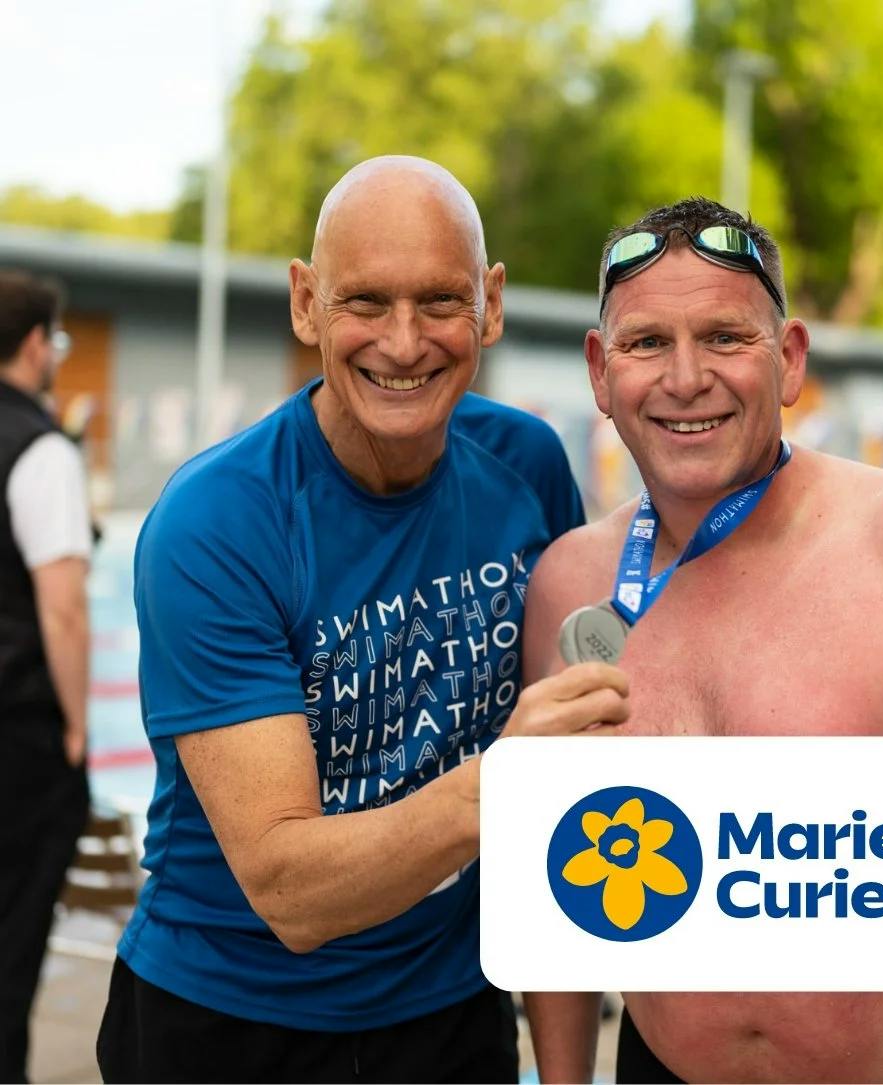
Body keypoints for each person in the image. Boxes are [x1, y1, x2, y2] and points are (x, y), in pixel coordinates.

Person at [96, 156, 630, 1084]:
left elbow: (574, 790)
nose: (404, 340)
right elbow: (289, 890)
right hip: (228, 1018)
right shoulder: (217, 522)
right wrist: (505, 780)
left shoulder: (529, 467)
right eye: (365, 303)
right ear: (306, 304)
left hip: (450, 1009)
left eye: (438, 301)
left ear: (490, 306)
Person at [521, 197, 883, 1084]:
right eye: (647, 342)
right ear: (599, 372)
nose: (686, 378)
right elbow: (556, 889)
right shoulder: (570, 588)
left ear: (791, 358)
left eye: (727, 338)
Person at [0, 271, 91, 1084]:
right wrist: (73, 727)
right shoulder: (40, 447)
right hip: (19, 736)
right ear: (36, 343)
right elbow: (62, 609)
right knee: (14, 944)